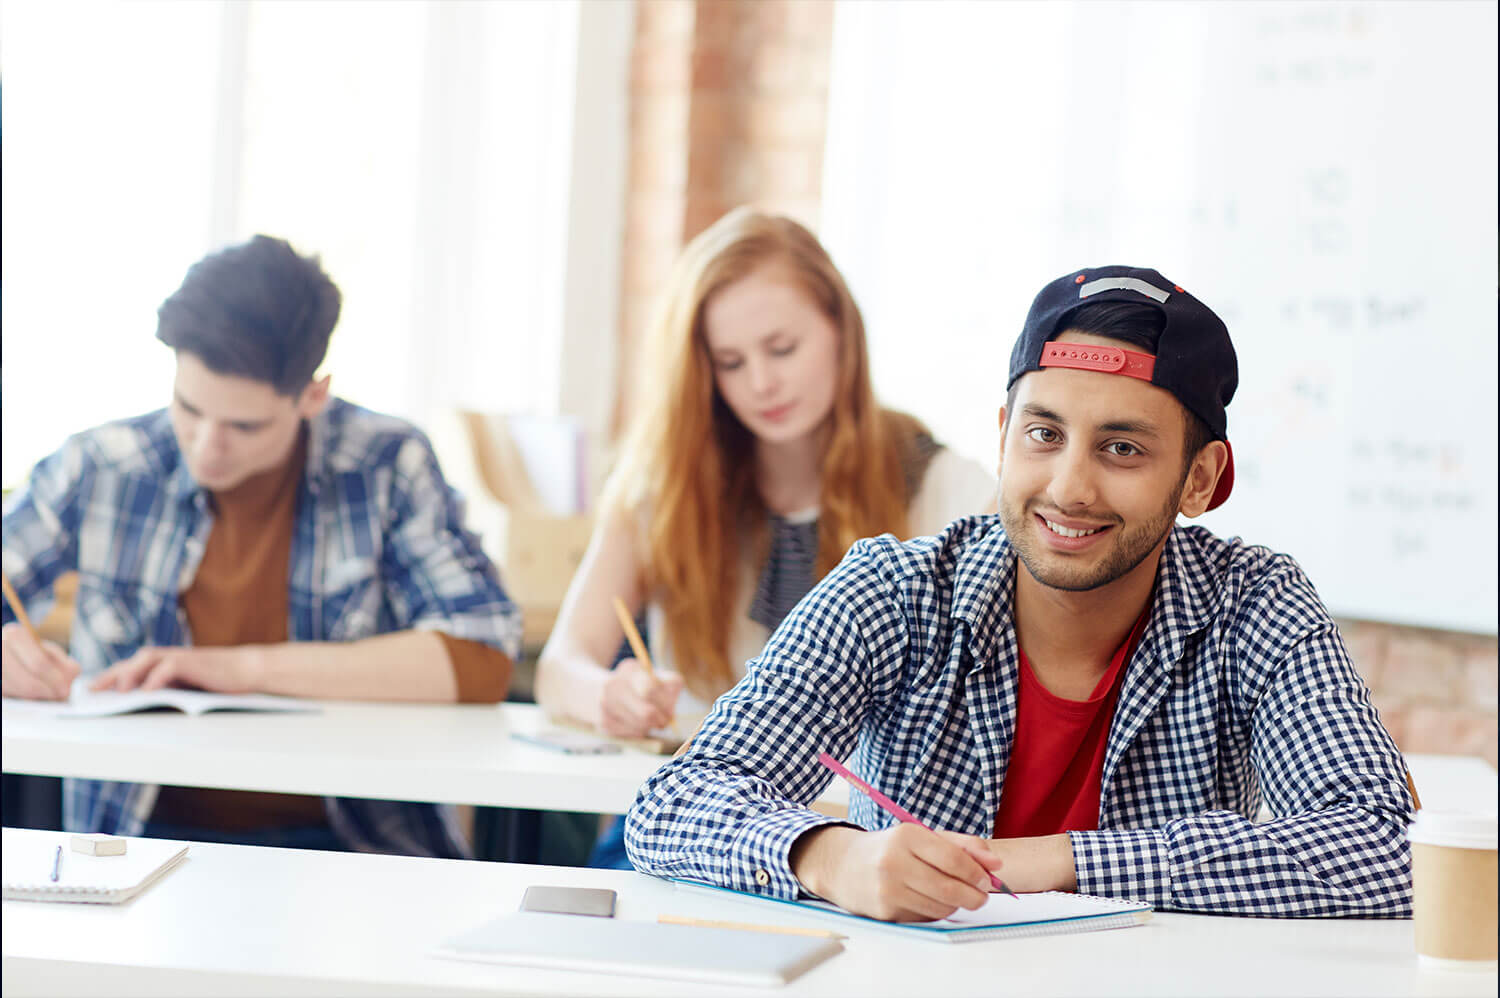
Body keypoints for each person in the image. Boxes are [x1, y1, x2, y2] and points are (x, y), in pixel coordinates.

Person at [625, 265, 1414, 919]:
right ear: (1002, 435)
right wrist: (833, 859)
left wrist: (1063, 862)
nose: (1069, 488)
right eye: (1044, 435)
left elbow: (1386, 849)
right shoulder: (893, 591)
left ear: (1200, 479)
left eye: (1123, 448)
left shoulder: (1254, 605)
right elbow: (675, 803)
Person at [1, 235, 521, 857]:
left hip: (354, 843)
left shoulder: (386, 463)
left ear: (313, 394)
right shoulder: (103, 463)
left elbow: (481, 654)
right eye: (189, 408)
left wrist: (239, 669)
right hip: (131, 840)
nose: (206, 446)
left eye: (244, 425)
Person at [536, 208, 995, 866]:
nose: (762, 383)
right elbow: (560, 666)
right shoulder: (664, 489)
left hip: (869, 847)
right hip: (699, 836)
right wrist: (607, 695)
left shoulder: (943, 485)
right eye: (729, 362)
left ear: (842, 329)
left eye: (783, 349)